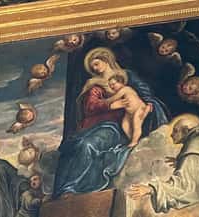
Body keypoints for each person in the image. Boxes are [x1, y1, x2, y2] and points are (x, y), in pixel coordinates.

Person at [53, 47, 168, 196]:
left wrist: (147, 103)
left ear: (106, 60)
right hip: (98, 125)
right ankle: (66, 190)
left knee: (87, 145)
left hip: (117, 127)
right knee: (75, 149)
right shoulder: (94, 85)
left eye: (96, 64)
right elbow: (89, 107)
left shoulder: (125, 76)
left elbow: (143, 91)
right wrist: (111, 105)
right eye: (92, 67)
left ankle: (71, 188)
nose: (95, 69)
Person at [105, 72, 153, 147]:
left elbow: (114, 98)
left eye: (113, 84)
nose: (112, 87)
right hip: (129, 112)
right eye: (110, 85)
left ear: (120, 82)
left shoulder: (125, 89)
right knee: (125, 125)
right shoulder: (120, 92)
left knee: (136, 124)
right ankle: (133, 139)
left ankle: (134, 141)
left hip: (139, 108)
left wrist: (105, 101)